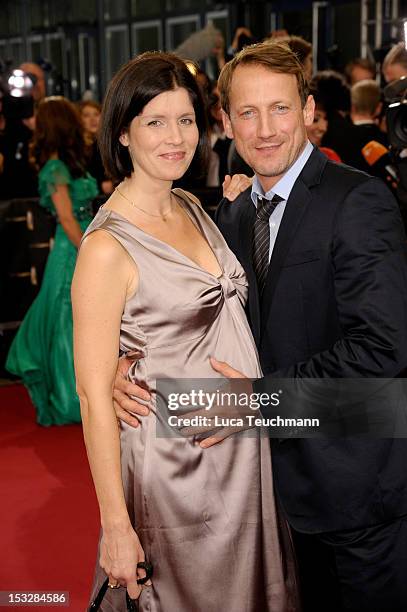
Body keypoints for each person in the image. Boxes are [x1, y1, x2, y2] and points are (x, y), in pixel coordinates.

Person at [114, 41, 407, 612]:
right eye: (247, 112)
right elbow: (203, 321)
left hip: (356, 493)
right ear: (226, 121)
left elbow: (385, 350)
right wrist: (130, 368)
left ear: (308, 109)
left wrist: (262, 401)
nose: (265, 128)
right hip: (265, 499)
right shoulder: (234, 213)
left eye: (280, 108)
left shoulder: (358, 201)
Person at [72, 52, 298, 611]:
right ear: (122, 132)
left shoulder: (192, 205)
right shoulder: (106, 249)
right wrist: (116, 526)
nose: (176, 138)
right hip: (172, 468)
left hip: (239, 453)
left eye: (186, 120)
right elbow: (95, 399)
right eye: (155, 122)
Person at [6, 96, 98, 425]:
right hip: (72, 247)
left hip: (84, 239)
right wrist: (89, 250)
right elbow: (67, 219)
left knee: (79, 319)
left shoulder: (69, 163)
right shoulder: (55, 168)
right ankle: (68, 398)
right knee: (66, 320)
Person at [77, 100, 114, 195]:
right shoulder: (77, 146)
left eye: (96, 114)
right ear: (79, 119)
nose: (92, 119)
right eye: (86, 116)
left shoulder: (110, 143)